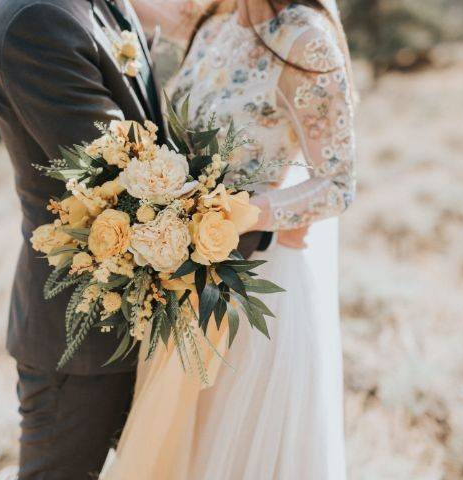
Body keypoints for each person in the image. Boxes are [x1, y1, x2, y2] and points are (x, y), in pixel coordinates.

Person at [0, 0, 267, 477]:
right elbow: (127, 182)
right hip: (82, 335)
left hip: (149, 311)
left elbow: (151, 130)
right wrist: (259, 215)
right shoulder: (35, 20)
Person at [99, 0, 356, 478]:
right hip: (187, 283)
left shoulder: (305, 40)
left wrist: (239, 215)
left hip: (255, 290)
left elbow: (338, 183)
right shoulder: (214, 18)